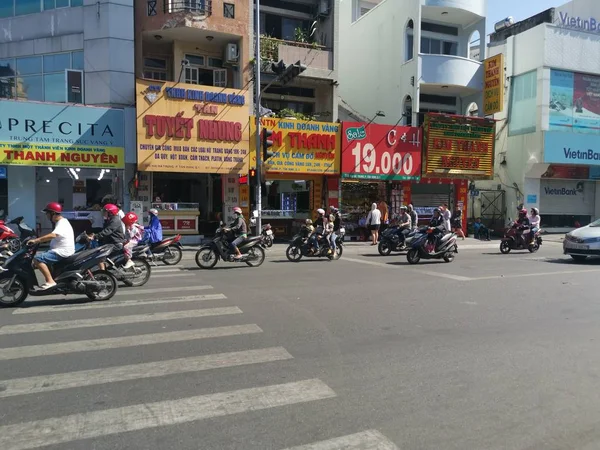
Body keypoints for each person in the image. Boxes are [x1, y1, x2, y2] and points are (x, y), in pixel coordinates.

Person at [28, 202, 75, 290]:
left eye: (47, 213)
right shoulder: (60, 222)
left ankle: (50, 281)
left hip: (62, 251)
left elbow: (53, 235)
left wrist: (36, 240)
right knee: (39, 259)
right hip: (59, 250)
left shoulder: (62, 223)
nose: (46, 215)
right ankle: (51, 280)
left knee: (38, 259)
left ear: (53, 213)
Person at [90, 203, 126, 270]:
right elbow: (104, 230)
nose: (104, 213)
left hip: (116, 244)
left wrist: (95, 236)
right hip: (110, 242)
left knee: (100, 257)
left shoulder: (115, 220)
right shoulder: (110, 219)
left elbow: (107, 231)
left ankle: (103, 274)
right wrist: (94, 233)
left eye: (105, 212)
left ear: (110, 213)